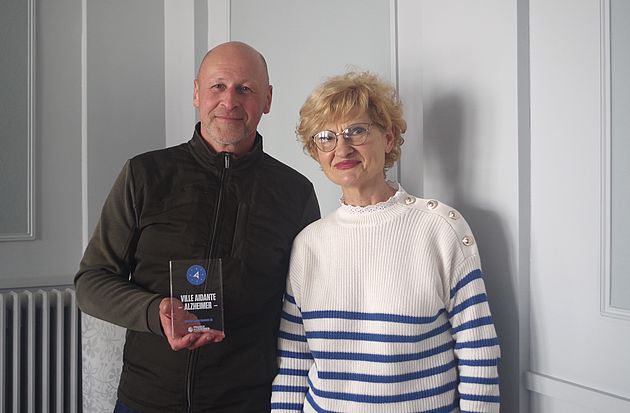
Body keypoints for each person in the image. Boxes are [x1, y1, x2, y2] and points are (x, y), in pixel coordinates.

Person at [75, 41, 320, 413]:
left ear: (267, 99)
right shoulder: (144, 175)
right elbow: (91, 281)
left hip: (249, 402)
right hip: (147, 400)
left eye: (245, 89)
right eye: (217, 86)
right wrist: (154, 311)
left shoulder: (295, 193)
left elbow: (308, 307)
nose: (230, 101)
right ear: (196, 93)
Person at [271, 71, 500, 412]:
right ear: (316, 152)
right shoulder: (308, 244)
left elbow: (478, 355)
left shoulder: (441, 229)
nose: (342, 147)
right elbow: (293, 364)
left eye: (357, 131)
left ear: (389, 138)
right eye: (326, 137)